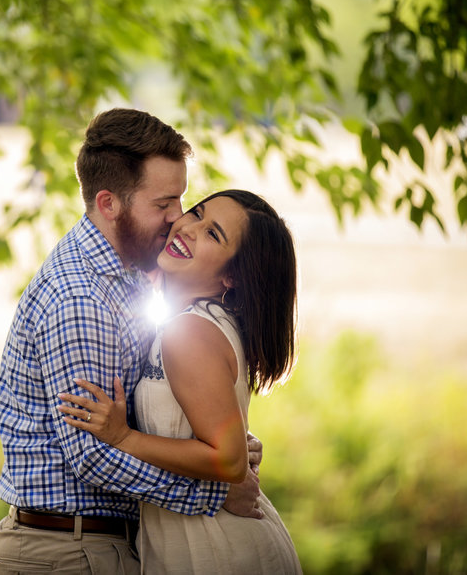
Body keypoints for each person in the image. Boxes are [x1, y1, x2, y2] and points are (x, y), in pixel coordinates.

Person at [0, 110, 265, 574]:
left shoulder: (133, 275)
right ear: (109, 203)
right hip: (68, 551)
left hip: (98, 545)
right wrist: (215, 491)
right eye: (163, 204)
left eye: (181, 199)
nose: (177, 218)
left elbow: (136, 408)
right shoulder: (80, 298)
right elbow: (93, 457)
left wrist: (216, 444)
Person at [58, 190, 303, 574]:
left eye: (213, 234)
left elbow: (229, 458)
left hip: (217, 551)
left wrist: (125, 438)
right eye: (197, 213)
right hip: (202, 542)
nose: (189, 228)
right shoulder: (197, 322)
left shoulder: (188, 331)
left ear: (231, 275)